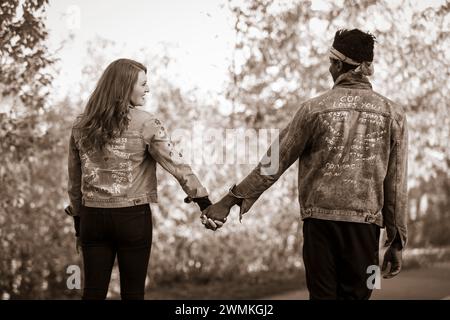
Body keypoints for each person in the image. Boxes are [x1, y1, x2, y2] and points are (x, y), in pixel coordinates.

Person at [202, 29, 408, 300]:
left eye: (330, 63)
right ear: (367, 66)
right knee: (362, 294)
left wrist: (229, 201)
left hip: (319, 225)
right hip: (367, 230)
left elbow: (273, 162)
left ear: (336, 64)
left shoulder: (313, 109)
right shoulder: (394, 114)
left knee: (321, 297)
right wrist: (396, 241)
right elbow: (395, 184)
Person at [66, 58, 214, 300]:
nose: (148, 89)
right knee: (133, 294)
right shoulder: (146, 122)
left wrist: (78, 219)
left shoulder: (82, 124)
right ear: (124, 86)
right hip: (132, 218)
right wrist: (203, 201)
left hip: (92, 218)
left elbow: (74, 179)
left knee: (92, 294)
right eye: (143, 84)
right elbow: (176, 163)